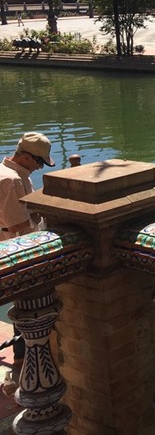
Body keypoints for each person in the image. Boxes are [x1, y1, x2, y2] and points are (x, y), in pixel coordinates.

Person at [0, 132, 55, 396]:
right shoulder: (11, 181)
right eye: (40, 162)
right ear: (25, 156)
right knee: (28, 304)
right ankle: (23, 365)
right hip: (14, 254)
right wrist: (46, 213)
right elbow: (17, 226)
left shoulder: (11, 173)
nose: (39, 167)